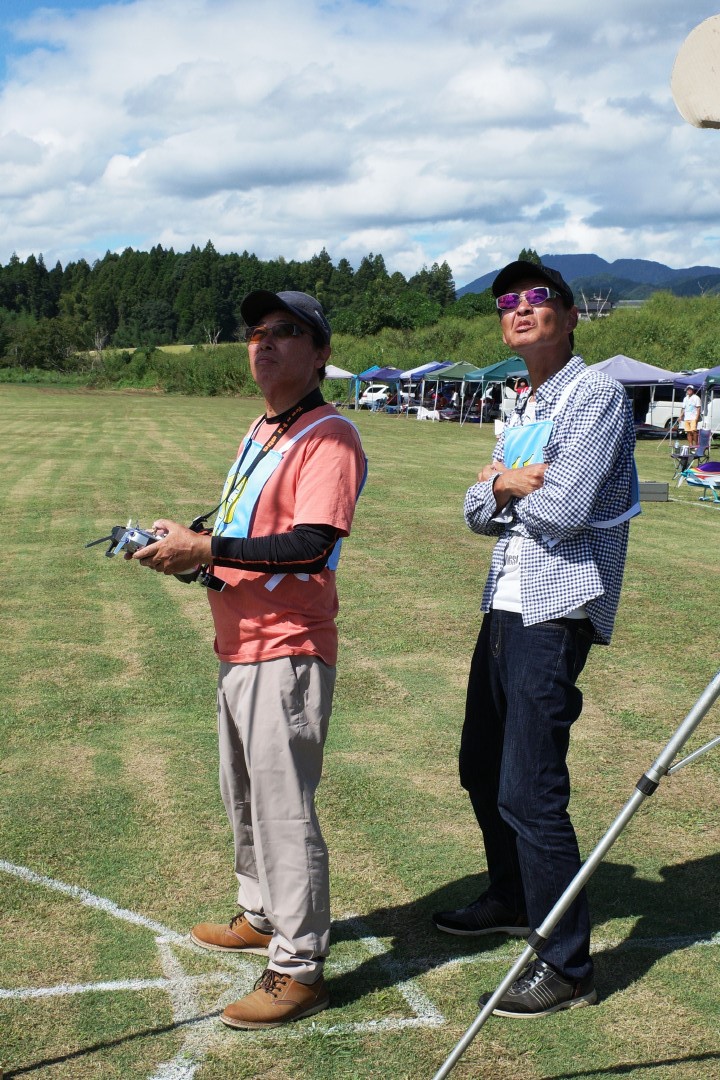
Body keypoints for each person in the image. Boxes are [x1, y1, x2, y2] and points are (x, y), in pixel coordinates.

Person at [132, 290, 366, 1030]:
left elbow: (312, 544)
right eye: (257, 331)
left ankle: (298, 966)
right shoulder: (265, 428)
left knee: (282, 809)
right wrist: (190, 548)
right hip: (240, 642)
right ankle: (261, 914)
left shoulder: (329, 436)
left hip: (286, 647)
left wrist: (206, 547)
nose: (264, 342)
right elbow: (247, 532)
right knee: (242, 796)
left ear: (320, 353)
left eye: (286, 332)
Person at [432, 260, 637, 1018]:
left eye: (535, 298)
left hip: (555, 610)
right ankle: (514, 896)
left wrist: (504, 486)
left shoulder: (596, 395)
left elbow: (564, 509)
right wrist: (505, 483)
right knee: (480, 765)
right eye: (505, 302)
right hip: (504, 602)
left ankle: (567, 964)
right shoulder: (522, 401)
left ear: (571, 315)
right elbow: (474, 510)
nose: (517, 309)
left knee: (531, 787)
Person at [679, 384, 702, 450]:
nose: (688, 391)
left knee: (694, 431)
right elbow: (683, 408)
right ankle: (690, 445)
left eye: (690, 389)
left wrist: (697, 417)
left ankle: (696, 445)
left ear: (692, 390)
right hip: (686, 418)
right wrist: (680, 416)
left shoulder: (696, 398)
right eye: (687, 390)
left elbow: (698, 408)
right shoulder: (685, 398)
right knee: (688, 432)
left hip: (693, 417)